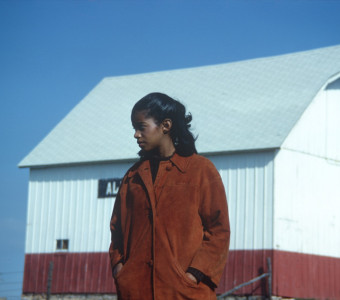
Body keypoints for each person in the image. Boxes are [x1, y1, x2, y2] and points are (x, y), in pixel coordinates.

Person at [109, 92, 230, 300]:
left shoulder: (201, 171)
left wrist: (194, 275)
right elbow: (117, 230)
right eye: (134, 129)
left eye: (141, 127)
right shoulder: (132, 177)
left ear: (165, 125)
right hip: (136, 291)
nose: (136, 135)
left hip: (185, 293)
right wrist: (120, 270)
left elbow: (218, 231)